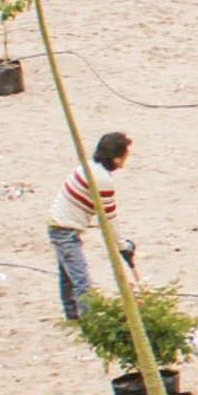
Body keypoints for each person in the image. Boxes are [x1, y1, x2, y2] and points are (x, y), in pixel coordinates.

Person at [48, 131, 132, 321]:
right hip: (65, 229)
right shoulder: (102, 180)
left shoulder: (88, 167)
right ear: (117, 158)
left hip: (60, 225)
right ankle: (90, 322)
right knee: (81, 281)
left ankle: (72, 314)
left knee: (67, 274)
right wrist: (122, 246)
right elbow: (109, 219)